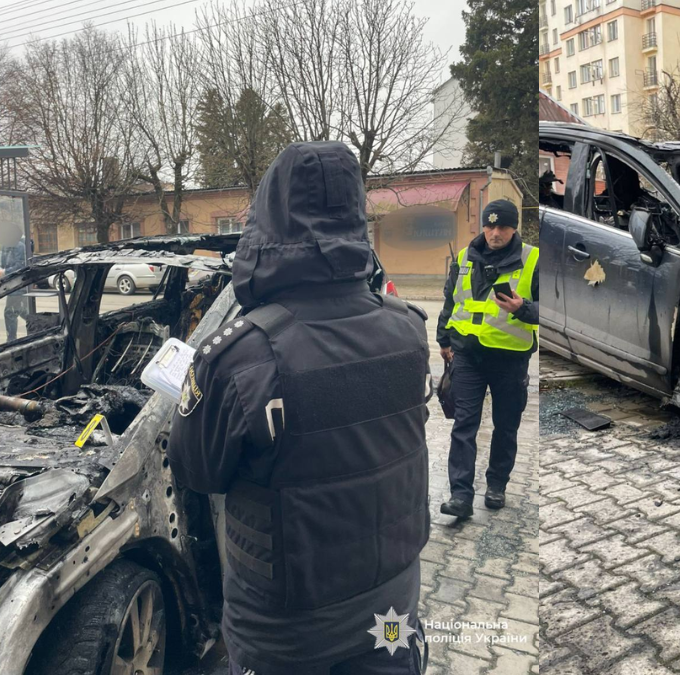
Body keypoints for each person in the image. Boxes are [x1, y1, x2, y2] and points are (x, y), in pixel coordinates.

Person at [168, 142, 430, 675]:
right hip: (392, 614)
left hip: (285, 639)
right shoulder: (409, 330)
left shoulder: (238, 358)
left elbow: (196, 472)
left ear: (267, 221)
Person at [436, 199, 538, 519]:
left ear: (514, 228)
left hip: (510, 358)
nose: (495, 232)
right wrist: (443, 339)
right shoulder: (464, 257)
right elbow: (451, 300)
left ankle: (497, 485)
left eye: (503, 226)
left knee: (506, 426)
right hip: (468, 355)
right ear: (483, 226)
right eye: (490, 225)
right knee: (464, 424)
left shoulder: (533, 259)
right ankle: (460, 496)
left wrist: (523, 308)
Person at [0, 221, 28, 341]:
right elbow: (4, 263)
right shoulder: (6, 246)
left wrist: (5, 271)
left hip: (18, 285)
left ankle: (11, 340)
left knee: (10, 313)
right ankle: (39, 326)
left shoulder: (19, 246)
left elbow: (20, 266)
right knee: (22, 311)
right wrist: (2, 270)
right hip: (11, 285)